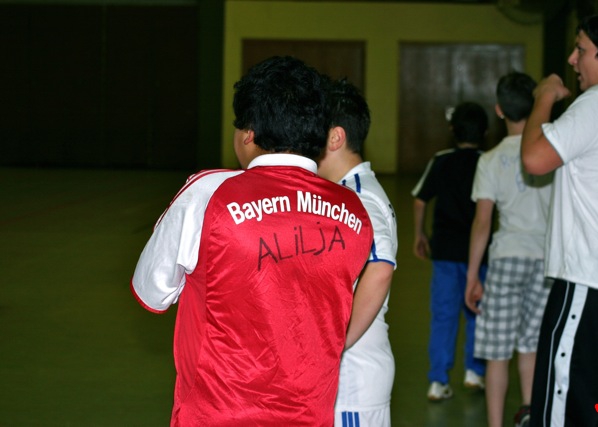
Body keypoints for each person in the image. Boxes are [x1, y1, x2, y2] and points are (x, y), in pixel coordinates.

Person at [130, 56, 374, 426]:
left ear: (248, 133)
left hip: (215, 415)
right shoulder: (354, 212)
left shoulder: (208, 194)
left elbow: (151, 291)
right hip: (310, 416)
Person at [520, 10, 598, 427]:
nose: (573, 60)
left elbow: (534, 158)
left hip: (591, 285)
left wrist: (544, 98)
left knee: (563, 411)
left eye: (581, 50)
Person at [465, 72, 553, 427]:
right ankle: (529, 414)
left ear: (499, 110)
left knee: (497, 353)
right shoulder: (550, 154)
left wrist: (473, 276)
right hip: (545, 261)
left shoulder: (490, 160)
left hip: (506, 259)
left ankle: (496, 423)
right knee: (531, 346)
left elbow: (482, 222)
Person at [318, 78, 398, 426]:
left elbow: (381, 268)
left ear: (335, 137)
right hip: (347, 378)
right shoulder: (345, 191)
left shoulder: (358, 195)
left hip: (353, 379)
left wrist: (337, 342)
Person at [412, 102, 489, 401]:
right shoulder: (488, 161)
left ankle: (438, 380)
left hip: (444, 251)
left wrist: (419, 234)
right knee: (477, 312)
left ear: (452, 130)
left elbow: (420, 200)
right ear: (484, 132)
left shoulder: (441, 160)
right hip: (479, 254)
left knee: (443, 315)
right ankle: (474, 372)